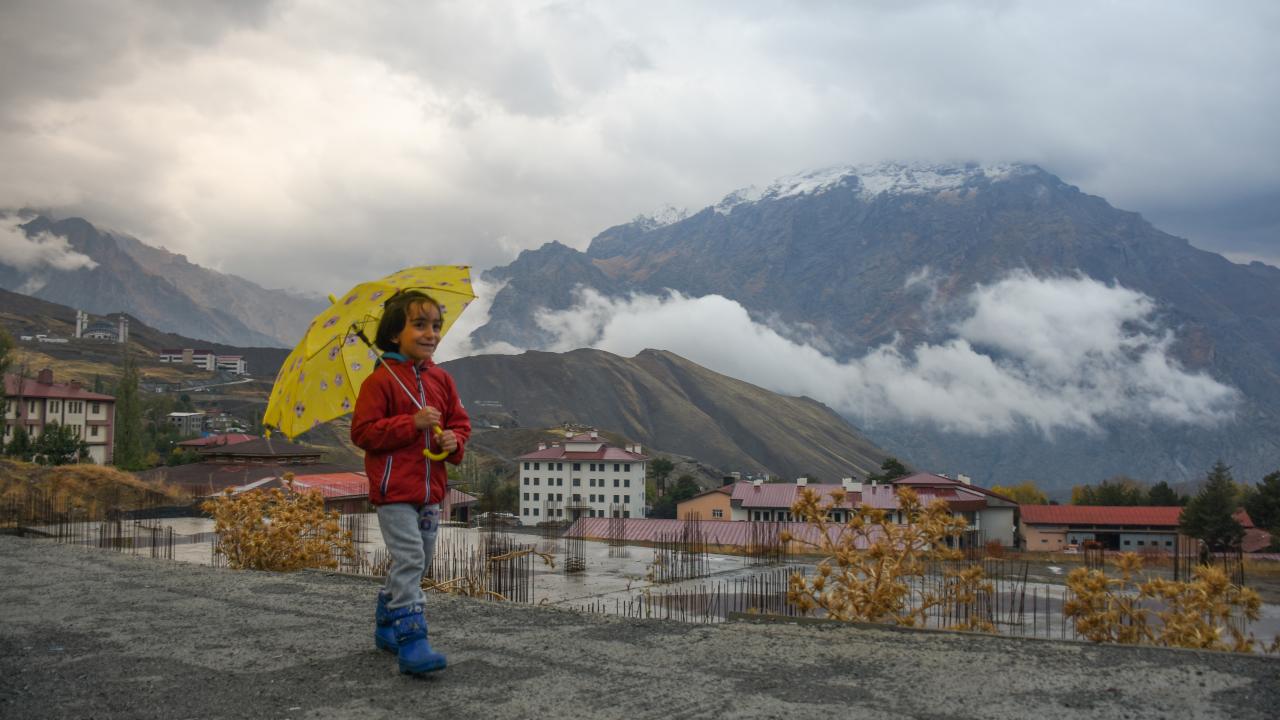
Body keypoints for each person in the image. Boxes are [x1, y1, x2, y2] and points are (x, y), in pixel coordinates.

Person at [351, 290, 471, 675]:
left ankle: (386, 620)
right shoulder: (380, 383)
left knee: (420, 561)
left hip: (431, 492)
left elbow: (459, 423)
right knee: (410, 559)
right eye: (419, 325)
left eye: (435, 325)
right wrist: (411, 423)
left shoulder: (442, 379)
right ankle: (412, 641)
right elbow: (364, 433)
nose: (431, 333)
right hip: (394, 494)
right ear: (393, 334)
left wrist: (453, 441)